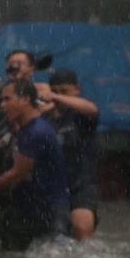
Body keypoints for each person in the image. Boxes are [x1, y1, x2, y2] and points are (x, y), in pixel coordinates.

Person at [0, 79, 71, 251]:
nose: (2, 105)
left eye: (7, 99)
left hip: (48, 210)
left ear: (24, 99)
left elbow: (17, 173)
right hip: (31, 206)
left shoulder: (36, 132)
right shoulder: (24, 128)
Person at [39, 68, 100, 240]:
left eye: (65, 91)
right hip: (50, 187)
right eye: (55, 91)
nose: (59, 95)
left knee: (80, 229)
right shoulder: (45, 118)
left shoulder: (81, 115)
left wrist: (55, 97)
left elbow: (92, 109)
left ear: (77, 89)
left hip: (80, 186)